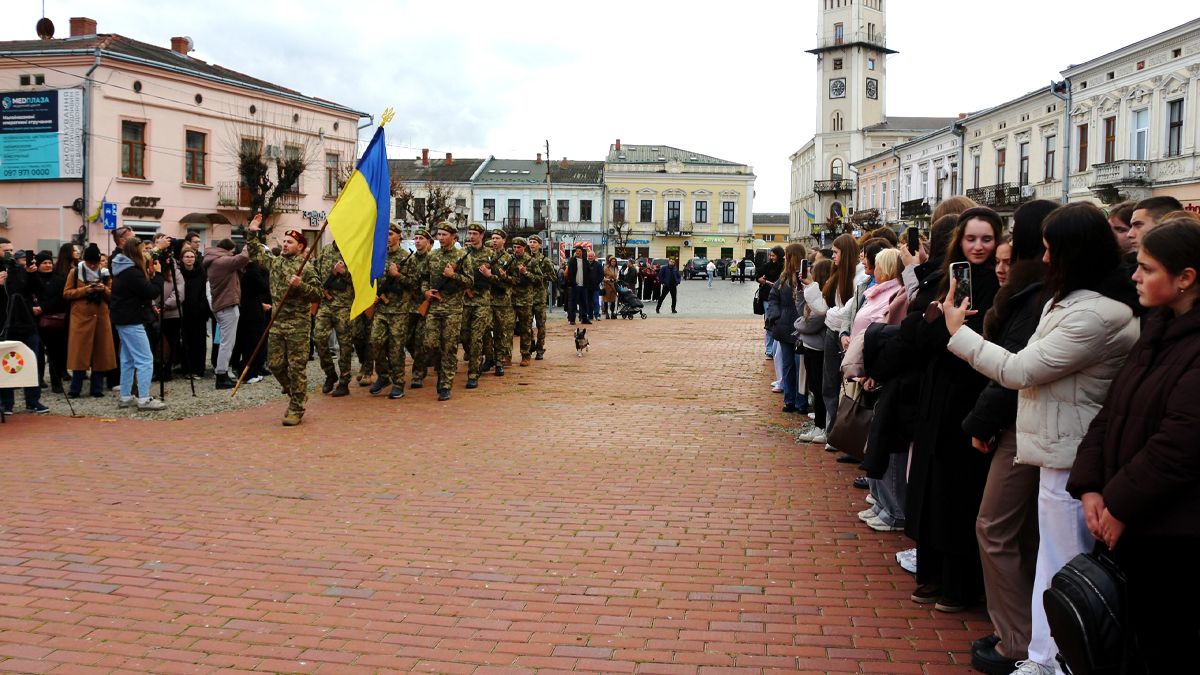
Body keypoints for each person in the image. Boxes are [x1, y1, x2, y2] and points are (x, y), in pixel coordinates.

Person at [943, 203, 1138, 675]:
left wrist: (958, 332)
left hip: (1070, 452)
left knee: (1064, 560)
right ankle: (1043, 655)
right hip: (1055, 447)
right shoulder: (1069, 303)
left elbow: (1020, 369)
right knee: (1050, 557)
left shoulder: (1097, 314)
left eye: (1052, 250)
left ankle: (1055, 660)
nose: (1044, 259)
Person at [1066, 219, 1200, 675]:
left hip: (1173, 534)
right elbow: (1111, 411)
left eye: (1148, 268)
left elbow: (1179, 445)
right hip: (1133, 521)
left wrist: (1119, 505)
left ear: (1185, 278)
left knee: (1163, 645)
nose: (1135, 277)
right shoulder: (1156, 329)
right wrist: (1090, 487)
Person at [958, 199, 1056, 674]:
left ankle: (1018, 639)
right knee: (1020, 532)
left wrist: (981, 421)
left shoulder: (1038, 297)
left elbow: (1014, 369)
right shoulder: (1036, 292)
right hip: (1027, 423)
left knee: (995, 527)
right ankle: (1023, 633)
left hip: (1027, 426)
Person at [905, 207, 1003, 614]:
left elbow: (991, 345)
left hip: (970, 395)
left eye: (986, 239)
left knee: (960, 491)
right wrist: (937, 317)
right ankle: (930, 571)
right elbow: (916, 334)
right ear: (959, 241)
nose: (978, 247)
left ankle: (959, 583)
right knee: (931, 485)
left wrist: (953, 327)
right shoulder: (945, 279)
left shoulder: (1000, 285)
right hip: (936, 395)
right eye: (971, 238)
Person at [245, 215, 322, 426]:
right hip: (277, 322)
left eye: (290, 242)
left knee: (297, 367)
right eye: (285, 241)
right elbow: (256, 253)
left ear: (300, 247)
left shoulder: (306, 268)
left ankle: (296, 407)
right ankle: (295, 391)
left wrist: (301, 285)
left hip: (298, 325)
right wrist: (252, 232)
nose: (286, 244)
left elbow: (318, 294)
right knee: (275, 364)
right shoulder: (276, 262)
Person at [802, 235, 858, 445]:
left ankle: (838, 432)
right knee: (829, 384)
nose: (833, 256)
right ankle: (830, 430)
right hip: (832, 331)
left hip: (844, 334)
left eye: (836, 252)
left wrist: (832, 314)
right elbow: (825, 308)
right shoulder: (837, 275)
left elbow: (844, 311)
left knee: (843, 386)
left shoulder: (857, 277)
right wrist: (810, 287)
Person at [109, 237, 166, 411]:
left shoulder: (122, 267)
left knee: (128, 359)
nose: (146, 254)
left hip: (123, 318)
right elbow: (151, 292)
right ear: (136, 252)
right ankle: (144, 399)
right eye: (143, 251)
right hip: (131, 319)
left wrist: (157, 250)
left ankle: (126, 396)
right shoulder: (132, 272)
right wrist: (159, 275)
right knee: (145, 359)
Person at [422, 223, 472, 401]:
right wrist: (425, 292)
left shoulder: (462, 256)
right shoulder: (432, 255)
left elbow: (470, 281)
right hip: (434, 307)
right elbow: (423, 278)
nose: (441, 238)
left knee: (449, 346)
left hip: (453, 308)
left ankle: (445, 384)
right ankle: (440, 369)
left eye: (444, 235)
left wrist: (453, 276)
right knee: (430, 344)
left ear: (453, 237)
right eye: (439, 235)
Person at [0, 237, 49, 414]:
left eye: (11, 250)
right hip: (4, 324)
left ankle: (33, 400)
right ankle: (6, 403)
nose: (10, 253)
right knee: (5, 363)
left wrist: (32, 274)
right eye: (5, 250)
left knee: (32, 360)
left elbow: (39, 290)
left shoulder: (19, 269)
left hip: (26, 322)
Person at [61, 244, 115, 398]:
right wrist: (86, 290)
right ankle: (75, 389)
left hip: (101, 318)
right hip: (81, 318)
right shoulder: (75, 272)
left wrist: (103, 289)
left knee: (101, 354)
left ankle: (97, 389)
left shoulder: (105, 273)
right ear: (84, 261)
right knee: (79, 354)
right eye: (90, 262)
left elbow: (113, 296)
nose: (92, 266)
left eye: (95, 263)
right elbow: (66, 293)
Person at [371, 223, 418, 398]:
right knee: (375, 342)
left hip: (399, 310)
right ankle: (383, 376)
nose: (387, 238)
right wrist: (373, 295)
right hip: (381, 309)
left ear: (399, 236)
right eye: (385, 234)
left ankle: (398, 382)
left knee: (396, 348)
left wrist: (398, 276)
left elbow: (415, 284)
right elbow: (372, 279)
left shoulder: (408, 258)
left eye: (390, 234)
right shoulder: (378, 256)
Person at [203, 236, 250, 389]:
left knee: (227, 342)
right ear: (228, 250)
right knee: (227, 343)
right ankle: (221, 375)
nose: (233, 254)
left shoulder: (214, 260)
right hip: (226, 305)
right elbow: (243, 258)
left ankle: (222, 374)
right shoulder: (221, 261)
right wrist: (248, 244)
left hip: (223, 305)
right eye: (232, 252)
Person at [767, 243, 807, 413]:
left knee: (800, 367)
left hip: (801, 327)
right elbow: (773, 297)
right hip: (784, 325)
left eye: (787, 255)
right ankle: (790, 400)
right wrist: (775, 316)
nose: (784, 258)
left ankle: (801, 401)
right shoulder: (783, 277)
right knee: (788, 365)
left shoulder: (805, 276)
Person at [795, 259, 832, 443]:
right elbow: (800, 311)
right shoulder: (814, 294)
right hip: (810, 345)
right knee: (814, 388)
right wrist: (801, 291)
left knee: (819, 387)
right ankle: (819, 424)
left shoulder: (825, 298)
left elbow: (810, 323)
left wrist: (798, 325)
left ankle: (822, 426)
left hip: (819, 347)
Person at [313, 241, 356, 397]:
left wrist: (344, 272)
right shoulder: (325, 250)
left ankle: (344, 381)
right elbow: (316, 273)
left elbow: (361, 280)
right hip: (326, 304)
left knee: (345, 345)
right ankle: (330, 374)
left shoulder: (353, 251)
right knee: (318, 338)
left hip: (344, 306)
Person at [457, 223, 494, 390]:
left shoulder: (490, 254)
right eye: (470, 233)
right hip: (465, 300)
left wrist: (489, 275)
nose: (471, 236)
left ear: (481, 235)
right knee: (464, 335)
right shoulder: (462, 253)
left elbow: (499, 279)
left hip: (482, 301)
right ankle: (481, 357)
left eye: (474, 234)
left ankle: (473, 373)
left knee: (476, 336)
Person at [36, 248, 73, 393]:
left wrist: (43, 307)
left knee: (56, 354)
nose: (48, 265)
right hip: (36, 321)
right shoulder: (33, 279)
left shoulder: (59, 280)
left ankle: (56, 383)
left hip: (55, 321)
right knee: (38, 353)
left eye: (49, 263)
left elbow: (61, 299)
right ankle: (38, 380)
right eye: (44, 263)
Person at [485, 229, 516, 372]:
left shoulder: (509, 259)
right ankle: (488, 357)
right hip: (486, 299)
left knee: (500, 331)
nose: (494, 241)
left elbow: (515, 280)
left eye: (497, 238)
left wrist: (504, 277)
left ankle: (499, 361)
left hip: (502, 300)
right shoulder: (486, 256)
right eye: (493, 238)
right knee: (484, 330)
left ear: (504, 240)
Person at [177, 248, 211, 378]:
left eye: (192, 256)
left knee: (199, 342)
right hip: (183, 311)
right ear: (182, 259)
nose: (189, 259)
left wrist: (202, 308)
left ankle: (198, 369)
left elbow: (204, 292)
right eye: (187, 256)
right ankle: (186, 369)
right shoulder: (178, 273)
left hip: (198, 313)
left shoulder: (201, 273)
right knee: (186, 341)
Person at [156, 251, 186, 382]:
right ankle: (156, 369)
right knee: (156, 343)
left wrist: (165, 305)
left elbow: (179, 293)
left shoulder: (176, 272)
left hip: (172, 314)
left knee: (171, 342)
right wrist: (154, 305)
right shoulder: (152, 270)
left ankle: (167, 369)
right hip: (154, 313)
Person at [509, 237, 536, 366]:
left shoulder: (531, 261)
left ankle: (525, 355)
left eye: (518, 247)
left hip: (525, 300)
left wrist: (526, 273)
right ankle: (506, 355)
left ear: (524, 248)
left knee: (525, 328)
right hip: (511, 299)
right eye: (514, 247)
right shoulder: (509, 260)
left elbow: (538, 279)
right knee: (508, 328)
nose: (516, 249)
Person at [527, 235, 552, 359]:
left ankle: (540, 349)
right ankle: (531, 344)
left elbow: (553, 276)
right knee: (526, 324)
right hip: (527, 296)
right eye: (530, 242)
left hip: (540, 296)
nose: (532, 244)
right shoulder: (525, 259)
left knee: (540, 324)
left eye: (535, 242)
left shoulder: (544, 260)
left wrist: (540, 277)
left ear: (540, 245)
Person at [564, 246, 591, 326]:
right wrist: (573, 283)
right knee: (573, 303)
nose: (578, 253)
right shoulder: (572, 261)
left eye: (579, 251)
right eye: (577, 251)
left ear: (582, 252)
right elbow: (570, 273)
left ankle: (584, 318)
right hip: (575, 285)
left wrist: (587, 282)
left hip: (583, 285)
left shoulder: (585, 261)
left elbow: (588, 272)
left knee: (584, 303)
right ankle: (572, 319)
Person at [586, 250, 603, 320]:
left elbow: (601, 275)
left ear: (594, 257)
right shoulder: (585, 264)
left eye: (591, 256)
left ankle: (597, 315)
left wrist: (597, 282)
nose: (590, 257)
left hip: (595, 286)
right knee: (588, 302)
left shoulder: (598, 265)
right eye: (589, 256)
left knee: (596, 301)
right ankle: (590, 315)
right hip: (587, 286)